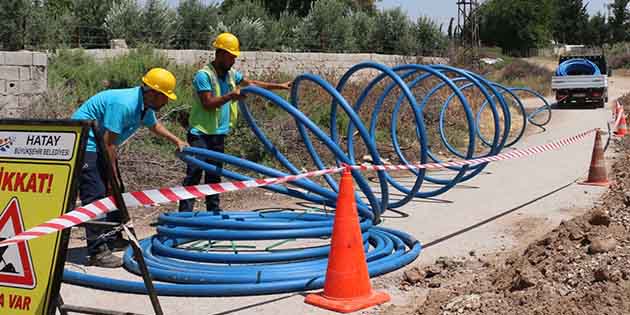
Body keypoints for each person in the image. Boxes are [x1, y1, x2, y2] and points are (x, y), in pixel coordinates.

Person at [72, 68, 189, 268]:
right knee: (97, 195)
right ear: (152, 92)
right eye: (165, 97)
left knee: (117, 192)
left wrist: (176, 140)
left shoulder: (144, 106)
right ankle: (97, 251)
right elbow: (109, 143)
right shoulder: (124, 104)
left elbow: (153, 126)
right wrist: (112, 179)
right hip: (84, 144)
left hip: (101, 146)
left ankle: (114, 236)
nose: (167, 102)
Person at [178, 32, 291, 212]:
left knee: (214, 176)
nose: (234, 61)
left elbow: (251, 83)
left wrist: (279, 86)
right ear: (221, 54)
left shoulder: (231, 74)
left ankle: (213, 213)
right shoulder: (204, 75)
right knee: (194, 174)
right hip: (200, 134)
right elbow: (207, 104)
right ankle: (183, 216)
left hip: (218, 134)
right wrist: (231, 95)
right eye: (231, 57)